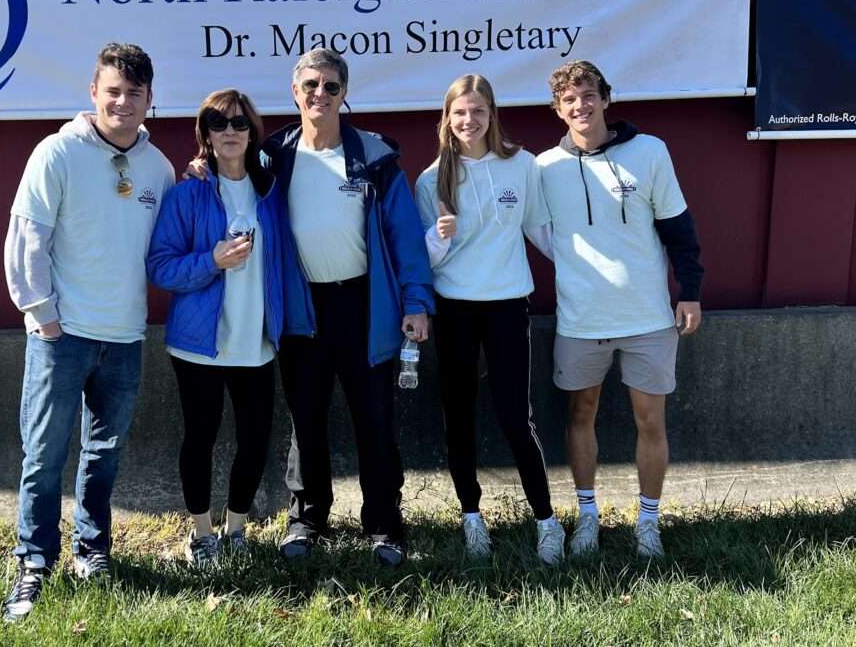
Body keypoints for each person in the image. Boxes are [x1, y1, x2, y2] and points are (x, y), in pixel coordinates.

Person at [0, 43, 175, 623]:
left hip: (124, 337)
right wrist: (42, 314)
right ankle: (34, 562)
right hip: (62, 334)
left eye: (134, 93)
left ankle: (92, 551)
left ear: (151, 100)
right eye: (113, 91)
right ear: (94, 94)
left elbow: (168, 248)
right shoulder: (56, 154)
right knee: (45, 455)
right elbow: (27, 238)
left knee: (104, 453)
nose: (123, 102)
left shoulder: (159, 168)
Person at [272, 48, 433, 566]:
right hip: (304, 310)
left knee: (375, 422)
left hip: (365, 306)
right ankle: (306, 518)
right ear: (295, 92)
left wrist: (417, 302)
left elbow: (406, 237)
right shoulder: (273, 158)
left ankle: (385, 524)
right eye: (311, 85)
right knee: (307, 420)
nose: (320, 94)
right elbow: (229, 180)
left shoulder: (375, 158)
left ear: (345, 94)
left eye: (331, 86)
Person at [537, 60, 703, 560]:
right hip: (581, 320)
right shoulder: (543, 168)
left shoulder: (650, 152)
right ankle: (587, 516)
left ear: (605, 99)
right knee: (579, 413)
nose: (580, 106)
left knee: (651, 422)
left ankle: (647, 523)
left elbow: (679, 228)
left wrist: (690, 290)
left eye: (588, 95)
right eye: (569, 100)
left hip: (649, 318)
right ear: (558, 110)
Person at [146, 89, 308, 567]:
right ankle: (201, 533)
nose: (231, 131)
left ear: (253, 133)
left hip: (256, 342)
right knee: (200, 437)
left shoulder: (271, 193)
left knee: (255, 439)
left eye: (240, 124)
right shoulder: (188, 192)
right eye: (219, 124)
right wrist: (211, 261)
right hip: (199, 345)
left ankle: (236, 529)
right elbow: (160, 267)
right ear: (206, 135)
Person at [415, 74, 565, 564]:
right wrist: (441, 236)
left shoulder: (522, 165)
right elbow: (424, 262)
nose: (468, 121)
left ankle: (546, 521)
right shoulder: (431, 179)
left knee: (514, 417)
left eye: (477, 111)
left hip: (507, 304)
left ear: (492, 114)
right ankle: (471, 518)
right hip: (454, 308)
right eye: (459, 112)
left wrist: (586, 273)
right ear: (447, 118)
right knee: (457, 417)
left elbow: (541, 231)